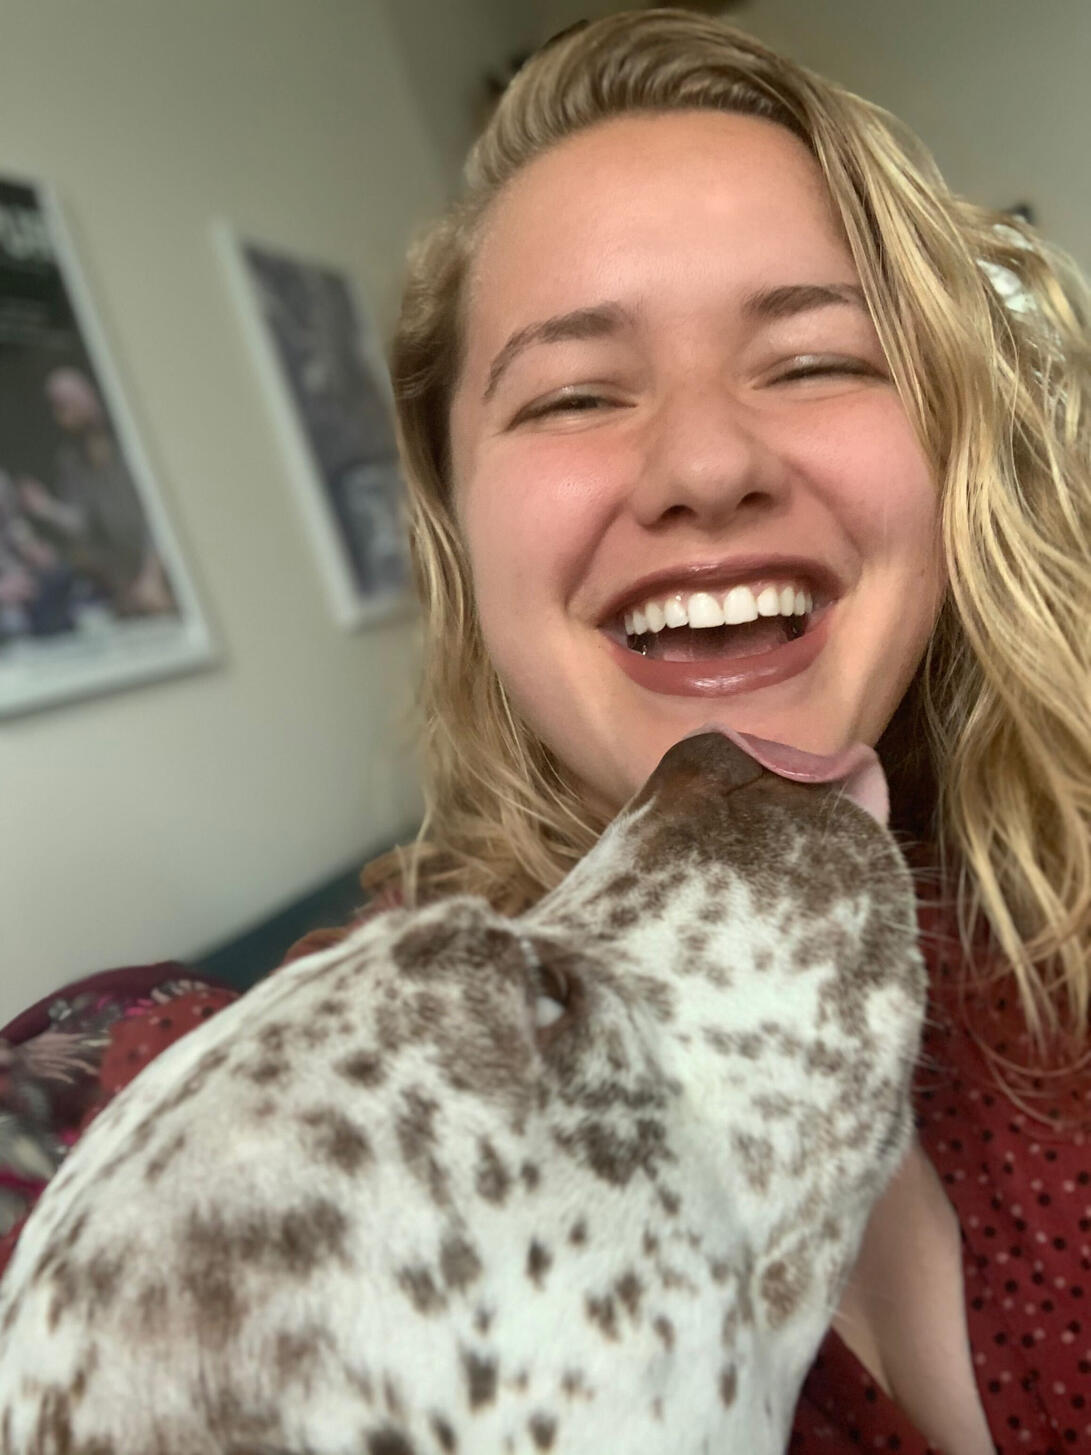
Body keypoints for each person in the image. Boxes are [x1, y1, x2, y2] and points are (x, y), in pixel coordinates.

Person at [2, 11, 1088, 1452]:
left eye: (815, 361)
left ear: (951, 441)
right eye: (574, 394)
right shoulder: (241, 1096)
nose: (706, 462)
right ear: (456, 518)